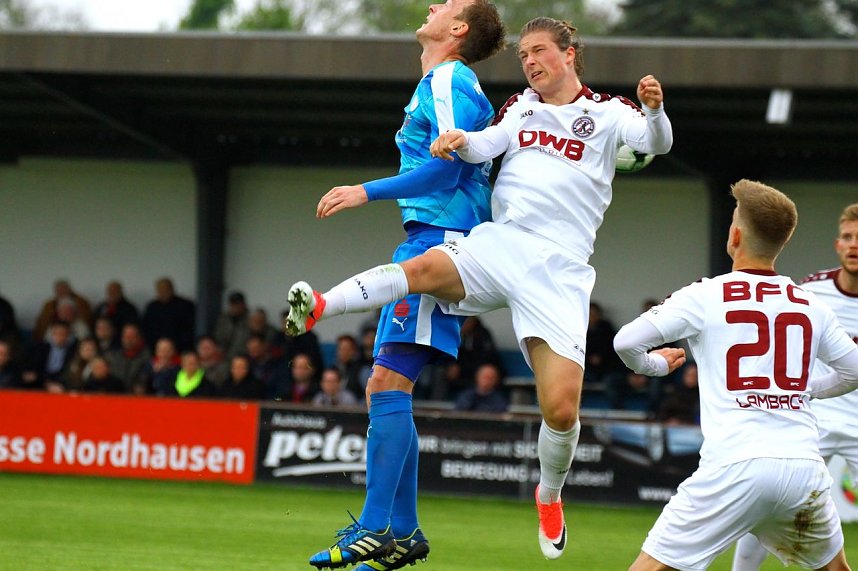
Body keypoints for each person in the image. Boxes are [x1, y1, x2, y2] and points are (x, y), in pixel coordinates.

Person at [286, 15, 670, 563]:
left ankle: (549, 495)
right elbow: (486, 143)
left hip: (559, 271)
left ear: (569, 53)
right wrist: (462, 140)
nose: (530, 62)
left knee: (561, 411)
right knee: (421, 272)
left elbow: (655, 142)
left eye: (540, 51)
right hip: (502, 242)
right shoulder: (521, 108)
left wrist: (654, 110)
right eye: (523, 55)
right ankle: (322, 305)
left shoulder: (607, 112)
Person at [296, 2, 506, 568]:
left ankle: (375, 527)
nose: (434, 5)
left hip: (440, 242)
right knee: (388, 386)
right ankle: (404, 531)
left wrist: (364, 190)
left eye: (448, 4)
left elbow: (449, 165)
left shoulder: (448, 78)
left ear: (458, 30)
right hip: (435, 237)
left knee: (386, 383)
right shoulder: (443, 81)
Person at [613, 180, 858, 571]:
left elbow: (626, 342)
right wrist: (805, 390)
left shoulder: (705, 295)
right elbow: (854, 370)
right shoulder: (809, 302)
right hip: (803, 467)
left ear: (736, 236)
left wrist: (654, 366)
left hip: (734, 464)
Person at [732, 202, 858, 571]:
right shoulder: (811, 291)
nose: (854, 245)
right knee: (764, 506)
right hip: (814, 420)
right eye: (848, 237)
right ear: (837, 245)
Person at [141, 277, 196, 353]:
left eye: (165, 289)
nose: (163, 292)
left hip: (181, 349)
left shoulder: (185, 305)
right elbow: (146, 329)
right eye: (160, 289)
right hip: (157, 350)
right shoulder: (152, 307)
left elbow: (190, 328)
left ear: (172, 289)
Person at [105, 323, 151, 394]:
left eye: (132, 336)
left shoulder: (147, 359)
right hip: (114, 395)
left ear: (139, 338)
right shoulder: (111, 357)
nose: (129, 340)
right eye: (126, 336)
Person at [213, 291, 251, 359]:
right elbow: (218, 337)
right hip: (225, 356)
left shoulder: (251, 318)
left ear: (243, 304)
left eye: (237, 304)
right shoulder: (224, 318)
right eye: (232, 304)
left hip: (244, 357)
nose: (235, 307)